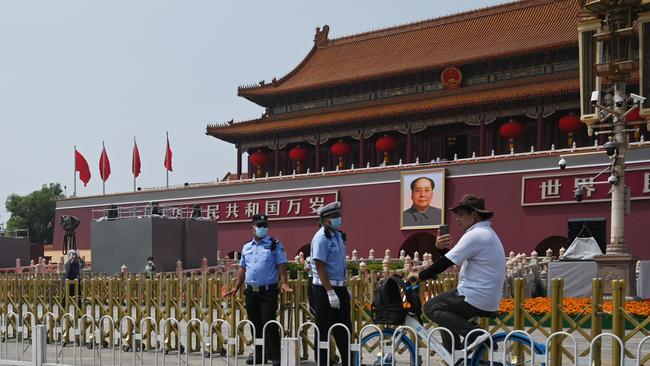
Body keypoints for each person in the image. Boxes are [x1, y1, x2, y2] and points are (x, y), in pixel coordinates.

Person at [408, 194, 505, 352]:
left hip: (475, 296)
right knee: (446, 316)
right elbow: (451, 260)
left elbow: (446, 262)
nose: (457, 219)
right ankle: (454, 356)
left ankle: (475, 335)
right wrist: (440, 250)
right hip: (486, 296)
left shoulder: (476, 235)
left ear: (474, 215)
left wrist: (419, 277)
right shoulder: (485, 233)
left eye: (461, 215)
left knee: (431, 308)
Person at [225, 214, 292, 366]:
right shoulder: (246, 247)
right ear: (252, 228)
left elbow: (281, 264)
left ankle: (275, 355)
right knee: (254, 324)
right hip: (251, 291)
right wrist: (236, 287)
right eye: (259, 225)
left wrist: (284, 283)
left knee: (269, 322)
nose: (263, 228)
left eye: (265, 225)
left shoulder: (274, 244)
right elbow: (242, 268)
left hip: (268, 291)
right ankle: (260, 354)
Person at [310, 201, 352, 366]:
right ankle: (322, 362)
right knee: (324, 328)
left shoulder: (337, 235)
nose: (338, 219)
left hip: (339, 287)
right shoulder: (321, 237)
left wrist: (343, 287)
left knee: (344, 327)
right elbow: (320, 267)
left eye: (338, 215)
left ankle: (348, 361)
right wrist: (330, 292)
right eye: (334, 216)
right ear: (325, 219)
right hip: (323, 288)